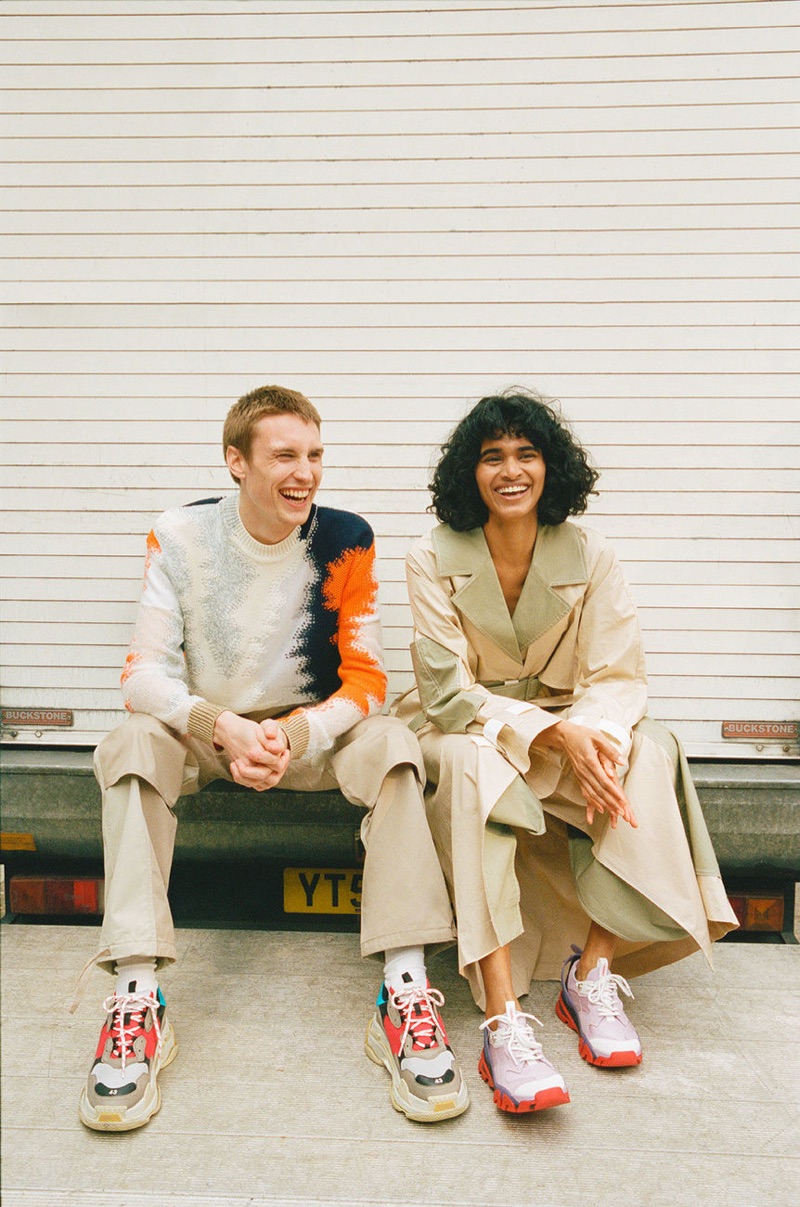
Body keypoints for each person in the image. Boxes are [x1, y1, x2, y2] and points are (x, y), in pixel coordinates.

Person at [78, 384, 469, 1131]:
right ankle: (136, 997)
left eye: (315, 455)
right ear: (236, 461)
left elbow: (369, 679)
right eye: (285, 455)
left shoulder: (348, 536)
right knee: (129, 742)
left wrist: (293, 735)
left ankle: (405, 990)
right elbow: (141, 673)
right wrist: (217, 722)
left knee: (393, 742)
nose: (306, 472)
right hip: (210, 730)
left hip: (307, 734)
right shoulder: (180, 536)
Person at [395, 388, 738, 1115]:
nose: (511, 469)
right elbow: (446, 692)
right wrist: (556, 734)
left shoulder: (592, 553)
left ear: (551, 468)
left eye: (527, 453)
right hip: (465, 729)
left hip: (567, 721)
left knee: (647, 748)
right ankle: (500, 1017)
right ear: (471, 472)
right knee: (476, 764)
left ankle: (594, 972)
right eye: (492, 457)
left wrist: (593, 738)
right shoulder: (430, 555)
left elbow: (618, 675)